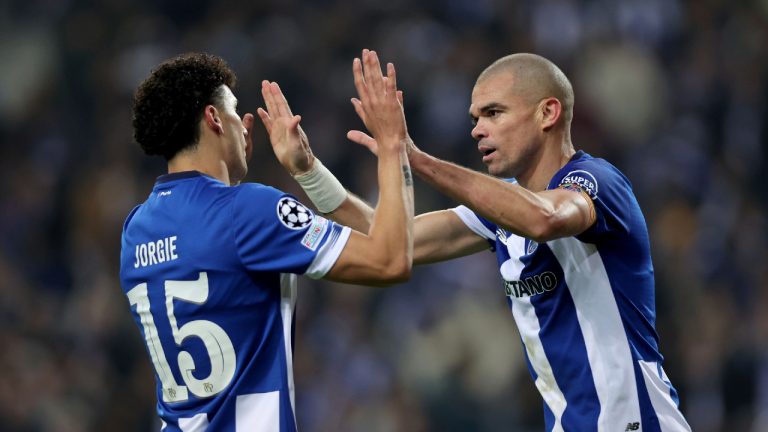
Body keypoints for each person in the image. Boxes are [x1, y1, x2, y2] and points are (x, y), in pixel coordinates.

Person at [267, 52, 691, 431]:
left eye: (493, 113)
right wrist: (308, 172)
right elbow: (389, 234)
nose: (477, 130)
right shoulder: (499, 211)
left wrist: (413, 158)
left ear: (548, 113)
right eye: (474, 119)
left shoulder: (597, 182)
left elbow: (543, 219)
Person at [120, 51, 413, 431]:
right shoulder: (248, 210)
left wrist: (230, 173)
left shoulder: (135, 229)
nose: (244, 127)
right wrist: (391, 144)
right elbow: (390, 260)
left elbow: (220, 263)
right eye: (233, 112)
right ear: (213, 119)